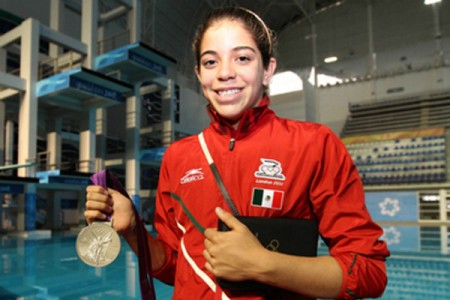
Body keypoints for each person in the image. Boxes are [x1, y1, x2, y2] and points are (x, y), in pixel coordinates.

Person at [84, 6, 390, 300]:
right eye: (210, 62)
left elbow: (368, 272)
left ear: (268, 69)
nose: (225, 73)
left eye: (242, 58)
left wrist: (264, 264)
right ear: (198, 74)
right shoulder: (178, 158)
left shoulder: (313, 145)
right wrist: (134, 230)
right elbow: (178, 266)